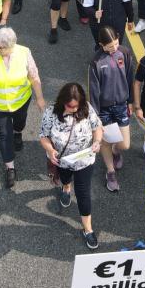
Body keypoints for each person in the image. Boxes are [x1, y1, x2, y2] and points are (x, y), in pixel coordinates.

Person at [0, 27, 47, 188]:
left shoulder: (24, 53)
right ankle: (10, 167)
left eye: (1, 47)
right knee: (4, 134)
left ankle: (18, 133)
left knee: (20, 123)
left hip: (20, 101)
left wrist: (39, 98)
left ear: (12, 46)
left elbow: (33, 76)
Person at [40, 83, 103, 249]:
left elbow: (97, 128)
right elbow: (43, 136)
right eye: (70, 106)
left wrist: (97, 141)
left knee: (83, 194)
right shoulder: (51, 112)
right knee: (65, 178)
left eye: (77, 106)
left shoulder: (86, 108)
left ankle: (88, 230)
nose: (74, 109)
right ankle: (66, 187)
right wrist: (50, 150)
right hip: (62, 160)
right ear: (62, 101)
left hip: (84, 161)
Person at [88, 25, 136, 192]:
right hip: (104, 109)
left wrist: (131, 101)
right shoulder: (96, 61)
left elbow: (130, 77)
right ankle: (110, 172)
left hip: (121, 105)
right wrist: (95, 117)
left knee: (125, 145)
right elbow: (93, 91)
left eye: (116, 43)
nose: (114, 48)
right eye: (109, 46)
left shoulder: (124, 53)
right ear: (101, 44)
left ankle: (116, 151)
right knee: (105, 142)